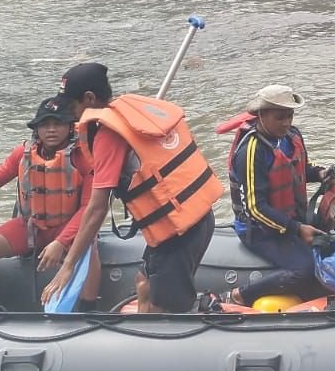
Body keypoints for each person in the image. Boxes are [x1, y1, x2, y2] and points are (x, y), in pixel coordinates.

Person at [39, 62, 222, 313]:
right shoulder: (130, 115)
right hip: (191, 217)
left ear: (89, 99)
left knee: (164, 309)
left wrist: (68, 265)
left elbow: (96, 208)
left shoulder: (107, 135)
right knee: (144, 284)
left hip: (180, 230)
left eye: (72, 106)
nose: (70, 115)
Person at [214, 85, 335, 307]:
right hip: (259, 229)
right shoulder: (251, 150)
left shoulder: (291, 136)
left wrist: (320, 174)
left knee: (328, 247)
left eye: (289, 116)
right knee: (304, 269)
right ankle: (239, 295)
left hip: (289, 219)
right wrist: (297, 229)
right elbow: (254, 208)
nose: (286, 123)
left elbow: (300, 170)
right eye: (279, 117)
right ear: (261, 115)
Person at [0, 95, 84, 307]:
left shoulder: (82, 157)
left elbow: (89, 208)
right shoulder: (23, 154)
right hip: (31, 227)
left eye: (58, 124)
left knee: (88, 251)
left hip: (69, 228)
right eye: (45, 124)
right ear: (36, 129)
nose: (51, 130)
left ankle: (90, 308)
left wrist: (61, 241)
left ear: (70, 127)